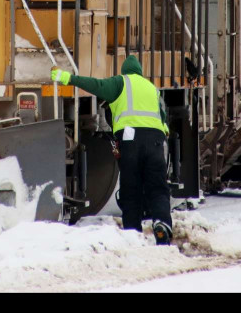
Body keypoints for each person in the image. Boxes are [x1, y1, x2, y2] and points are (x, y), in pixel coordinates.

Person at [51, 55, 173, 245]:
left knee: (130, 189)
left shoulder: (120, 82)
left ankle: (133, 233)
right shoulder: (152, 88)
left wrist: (68, 78)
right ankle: (162, 223)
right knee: (158, 187)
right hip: (156, 142)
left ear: (124, 71)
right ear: (139, 72)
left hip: (130, 141)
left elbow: (96, 85)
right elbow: (163, 118)